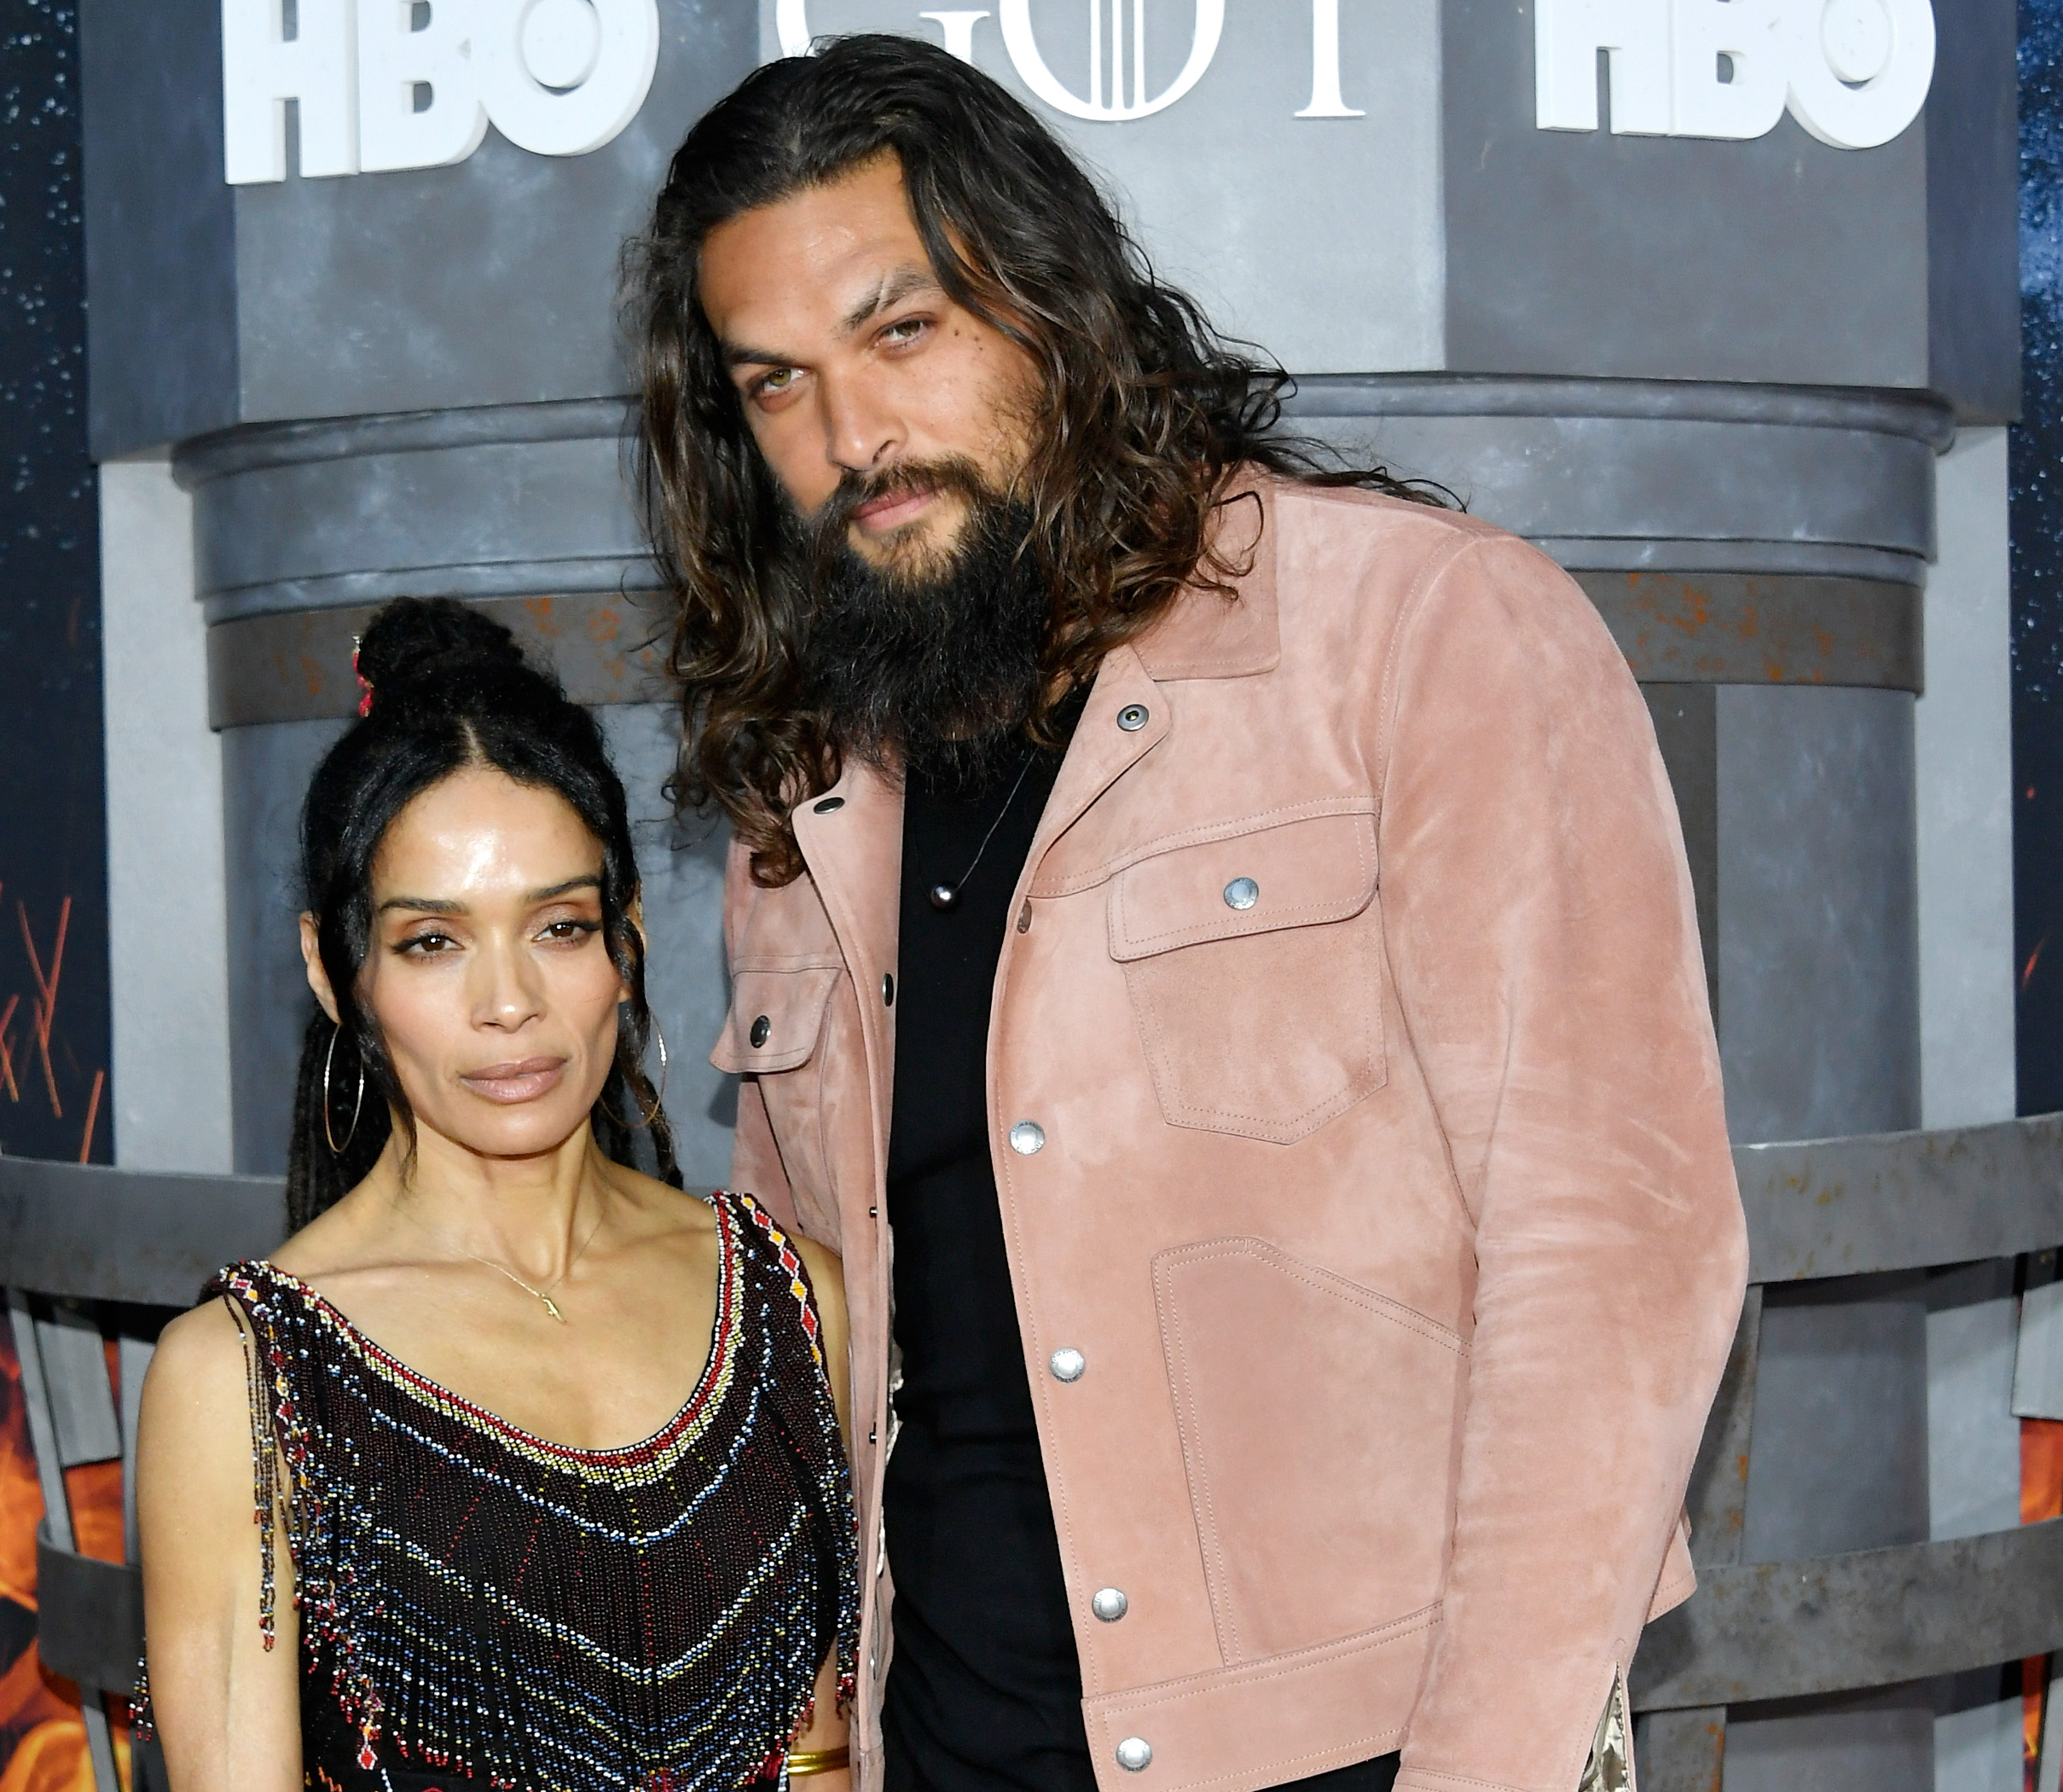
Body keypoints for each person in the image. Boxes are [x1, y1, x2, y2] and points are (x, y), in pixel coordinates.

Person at [623, 34, 1750, 1792]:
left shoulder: (1423, 635)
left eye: (903, 329)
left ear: (1049, 305)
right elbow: (821, 1351)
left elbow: (1618, 1266)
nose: (851, 434)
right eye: (776, 383)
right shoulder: (807, 805)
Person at [135, 600, 860, 1792]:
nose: (509, 1002)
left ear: (623, 941)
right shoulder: (245, 1376)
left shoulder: (790, 1301)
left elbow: (824, 1756)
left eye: (559, 925)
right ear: (335, 969)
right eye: (433, 942)